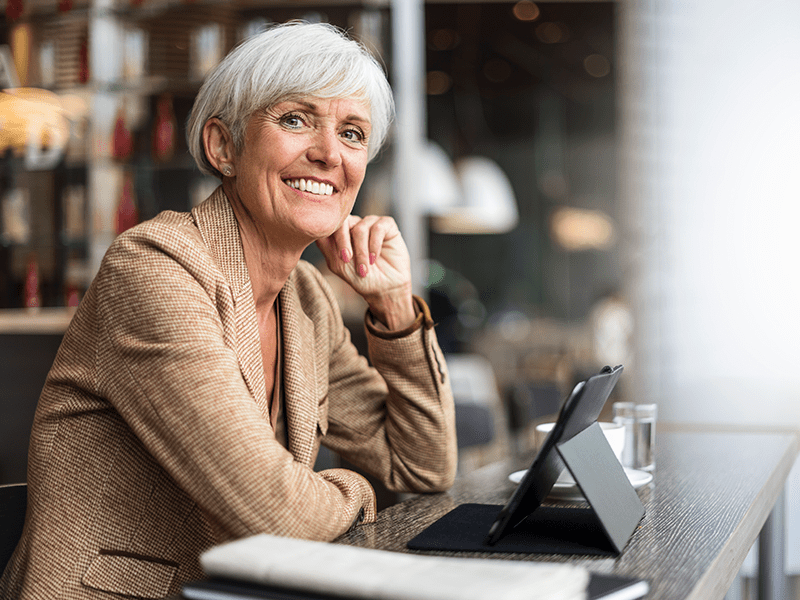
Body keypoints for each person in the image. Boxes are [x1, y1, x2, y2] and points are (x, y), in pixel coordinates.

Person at [0, 21, 457, 600]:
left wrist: (392, 302)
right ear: (224, 147)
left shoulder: (307, 300)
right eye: (295, 119)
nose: (327, 154)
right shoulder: (154, 268)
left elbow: (423, 468)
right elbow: (274, 511)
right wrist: (358, 492)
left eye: (353, 133)